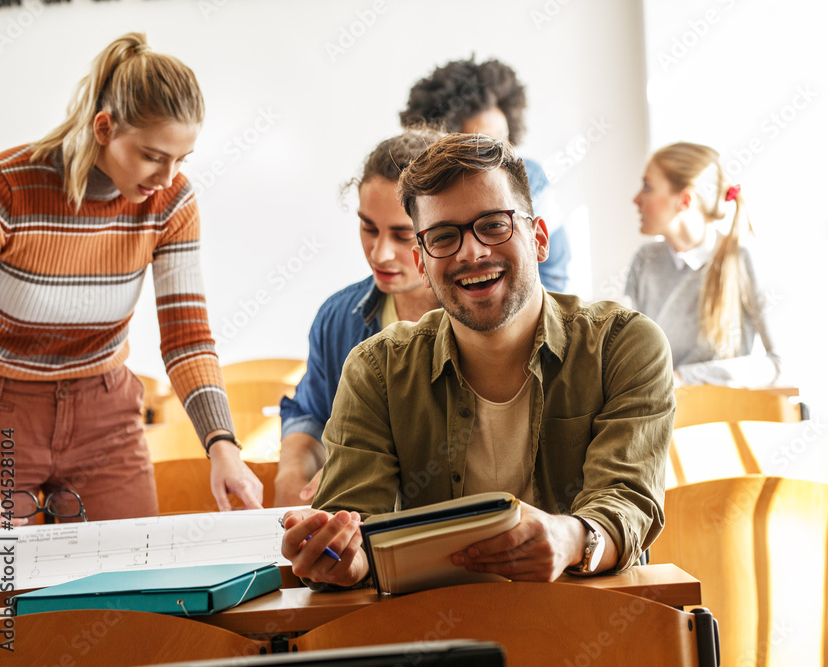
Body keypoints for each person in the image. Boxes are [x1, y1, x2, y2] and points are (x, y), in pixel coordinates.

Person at [280, 134, 674, 588]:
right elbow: (350, 521)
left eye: (493, 225)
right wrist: (342, 561)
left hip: (593, 623)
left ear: (539, 238)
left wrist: (571, 539)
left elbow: (627, 501)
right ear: (423, 263)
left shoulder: (624, 346)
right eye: (444, 236)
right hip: (437, 638)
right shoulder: (376, 369)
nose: (472, 252)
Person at [0, 33, 262, 527]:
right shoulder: (5, 186)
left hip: (105, 416)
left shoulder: (172, 200)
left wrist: (223, 446)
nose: (168, 175)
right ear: (104, 127)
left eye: (182, 159)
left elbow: (187, 338)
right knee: (2, 597)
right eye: (153, 155)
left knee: (124, 589)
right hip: (1, 415)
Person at [274, 128, 443, 507]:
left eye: (402, 235)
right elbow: (312, 415)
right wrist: (292, 472)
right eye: (368, 228)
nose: (379, 253)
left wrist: (355, 467)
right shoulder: (338, 318)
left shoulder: (480, 317)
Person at [400, 57, 572, 292]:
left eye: (503, 139)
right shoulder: (420, 196)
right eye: (481, 148)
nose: (498, 156)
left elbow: (555, 274)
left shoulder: (533, 181)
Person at [626, 142, 781, 388]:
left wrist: (681, 379)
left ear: (684, 200)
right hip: (658, 418)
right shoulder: (645, 260)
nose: (636, 199)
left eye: (647, 187)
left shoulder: (741, 259)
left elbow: (776, 365)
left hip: (717, 420)